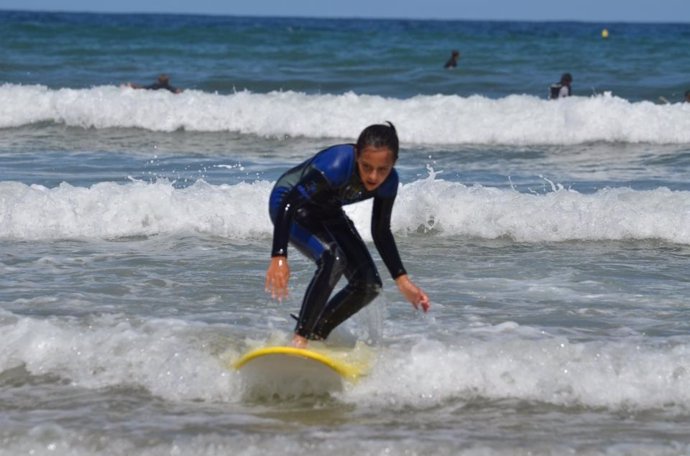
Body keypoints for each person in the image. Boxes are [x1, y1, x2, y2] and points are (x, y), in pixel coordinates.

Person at [265, 122, 431, 348]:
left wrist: (402, 280)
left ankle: (316, 335)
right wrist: (279, 256)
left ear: (393, 164)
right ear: (356, 156)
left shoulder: (389, 182)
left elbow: (380, 231)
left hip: (327, 209)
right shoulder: (336, 164)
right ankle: (299, 339)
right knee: (333, 260)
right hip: (289, 208)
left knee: (368, 285)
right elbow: (289, 202)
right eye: (366, 167)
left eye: (382, 169)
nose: (373, 176)